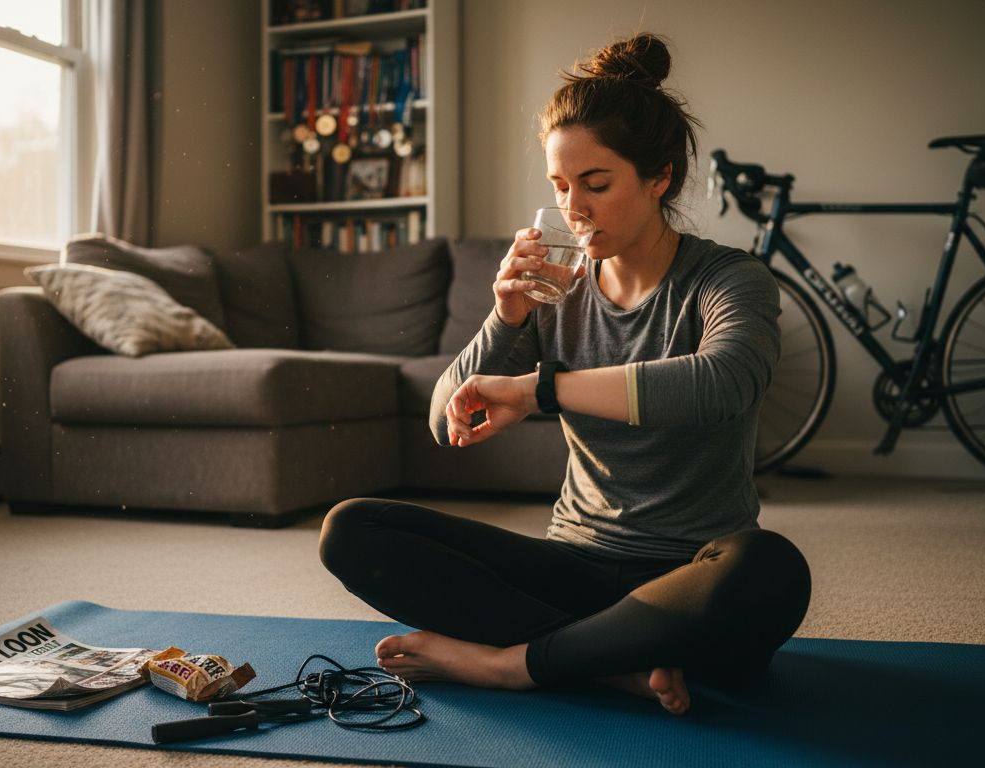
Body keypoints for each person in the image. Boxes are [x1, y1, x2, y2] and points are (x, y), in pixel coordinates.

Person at [318, 33, 811, 716]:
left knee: (769, 569)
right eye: (559, 186)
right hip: (571, 570)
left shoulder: (729, 281)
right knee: (352, 529)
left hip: (685, 582)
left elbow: (722, 383)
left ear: (659, 176)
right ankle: (608, 666)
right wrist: (506, 316)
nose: (574, 208)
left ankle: (509, 665)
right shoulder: (560, 290)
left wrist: (539, 389)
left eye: (596, 184)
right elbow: (444, 419)